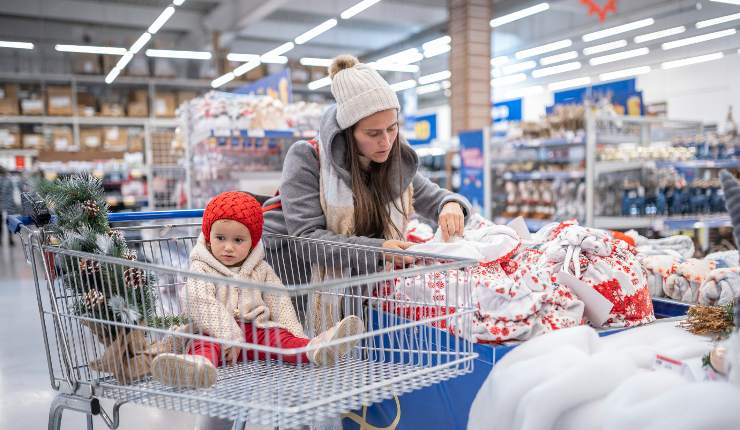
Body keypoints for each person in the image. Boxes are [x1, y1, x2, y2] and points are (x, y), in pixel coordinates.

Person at [263, 55, 471, 278]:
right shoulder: (307, 157)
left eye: (392, 128)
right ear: (348, 133)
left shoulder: (395, 160)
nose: (387, 142)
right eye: (373, 133)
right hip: (301, 281)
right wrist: (377, 249)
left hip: (359, 284)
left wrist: (451, 205)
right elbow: (306, 239)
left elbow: (434, 197)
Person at [150, 191, 364, 389]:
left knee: (280, 338)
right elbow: (199, 301)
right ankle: (196, 368)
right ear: (208, 237)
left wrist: (295, 333)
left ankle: (314, 348)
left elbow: (279, 301)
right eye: (220, 238)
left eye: (238, 240)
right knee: (204, 344)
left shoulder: (261, 269)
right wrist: (228, 336)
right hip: (219, 338)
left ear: (252, 242)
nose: (228, 247)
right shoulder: (201, 268)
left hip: (256, 332)